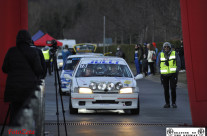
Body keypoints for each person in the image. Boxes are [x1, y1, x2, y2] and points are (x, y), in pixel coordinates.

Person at [2, 30, 44, 126]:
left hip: (13, 90)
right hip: (28, 90)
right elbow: (39, 70)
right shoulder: (33, 52)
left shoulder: (11, 51)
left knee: (14, 115)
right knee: (27, 116)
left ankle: (14, 133)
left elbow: (4, 68)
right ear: (29, 39)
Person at [158, 42, 181, 108]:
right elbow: (158, 64)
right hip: (164, 75)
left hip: (173, 74)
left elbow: (178, 63)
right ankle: (167, 103)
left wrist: (177, 71)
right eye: (165, 47)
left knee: (173, 88)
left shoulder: (174, 53)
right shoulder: (161, 54)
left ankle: (173, 103)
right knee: (166, 89)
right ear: (163, 48)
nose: (166, 48)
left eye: (168, 47)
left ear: (170, 47)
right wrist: (160, 72)